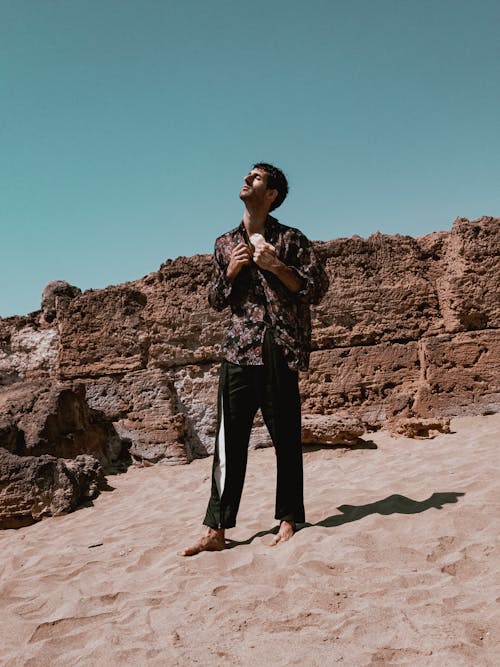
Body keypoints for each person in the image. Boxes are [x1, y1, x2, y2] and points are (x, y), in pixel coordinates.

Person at [180, 162, 329, 556]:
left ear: (272, 195)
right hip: (237, 350)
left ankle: (289, 518)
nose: (246, 180)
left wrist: (275, 265)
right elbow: (214, 300)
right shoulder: (224, 243)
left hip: (279, 346)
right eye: (247, 176)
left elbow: (316, 289)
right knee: (229, 443)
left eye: (256, 178)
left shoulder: (292, 240)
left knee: (285, 439)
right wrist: (229, 272)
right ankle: (216, 529)